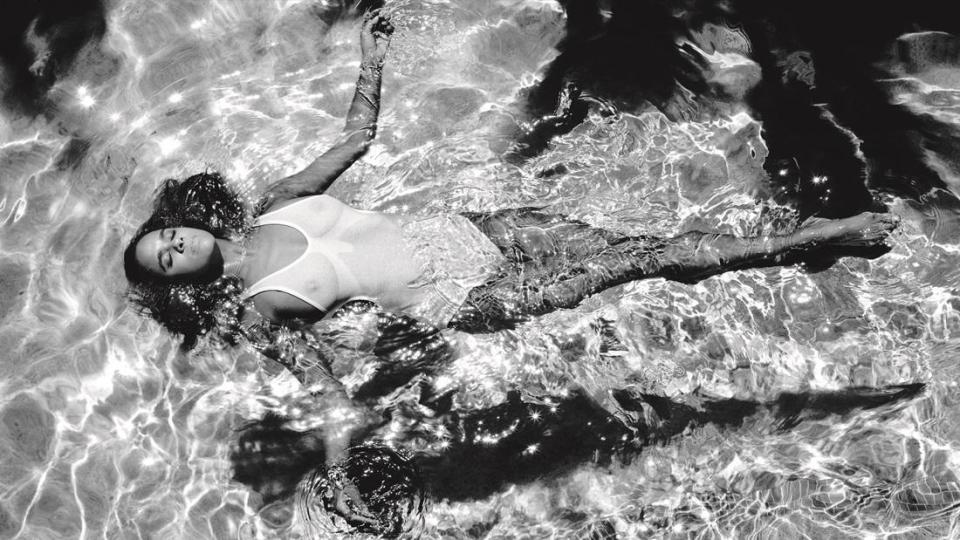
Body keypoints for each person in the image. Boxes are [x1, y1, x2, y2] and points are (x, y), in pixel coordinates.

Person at [123, 10, 899, 342]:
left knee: (639, 244)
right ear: (179, 280)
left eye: (163, 237)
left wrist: (371, 62)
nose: (170, 245)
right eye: (163, 260)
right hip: (463, 298)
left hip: (469, 231)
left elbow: (357, 138)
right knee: (640, 264)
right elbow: (325, 382)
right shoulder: (259, 313)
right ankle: (810, 240)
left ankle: (790, 248)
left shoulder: (278, 205)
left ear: (182, 223)